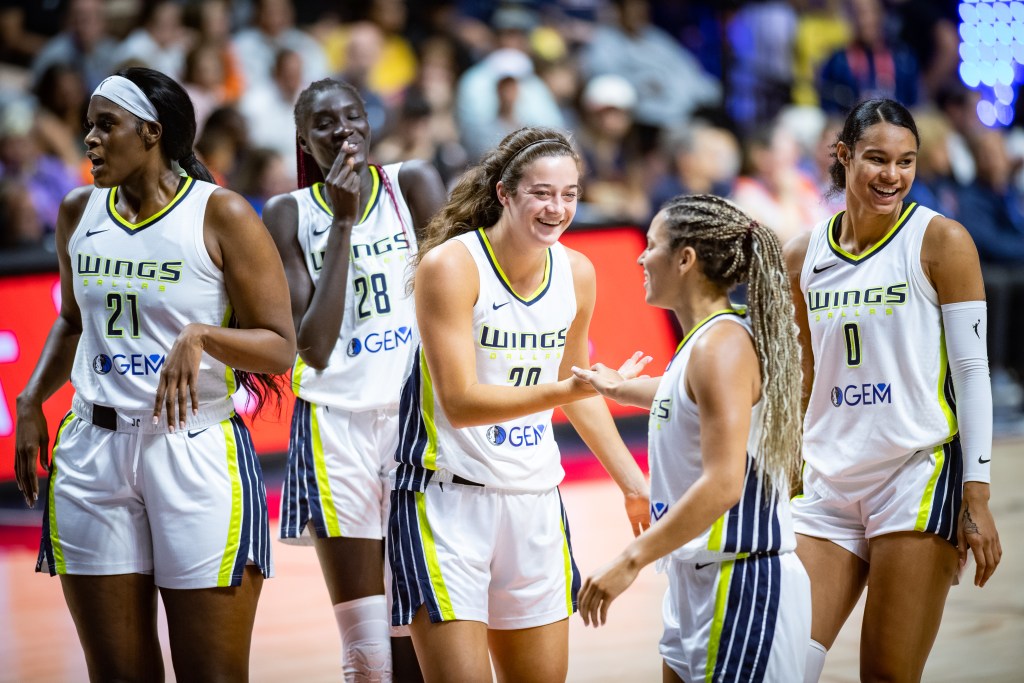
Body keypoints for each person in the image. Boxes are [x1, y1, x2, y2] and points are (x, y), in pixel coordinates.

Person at [13, 66, 296, 681]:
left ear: (151, 132)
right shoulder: (76, 212)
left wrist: (203, 335)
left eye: (105, 126)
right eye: (88, 126)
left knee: (211, 673)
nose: (88, 139)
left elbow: (280, 347)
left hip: (192, 448)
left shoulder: (218, 214)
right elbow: (69, 320)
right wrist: (34, 396)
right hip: (93, 452)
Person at [389, 126, 650, 682]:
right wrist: (570, 390)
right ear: (505, 193)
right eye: (542, 192)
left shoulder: (578, 272)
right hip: (443, 504)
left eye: (570, 194)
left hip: (534, 501)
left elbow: (574, 381)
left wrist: (632, 482)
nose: (558, 208)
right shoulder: (452, 266)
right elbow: (460, 402)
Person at [784, 98, 1002, 682]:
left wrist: (975, 493)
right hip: (828, 479)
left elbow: (973, 373)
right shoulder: (801, 256)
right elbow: (801, 374)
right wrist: (789, 463)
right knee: (782, 665)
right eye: (877, 159)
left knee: (886, 673)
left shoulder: (941, 241)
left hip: (915, 476)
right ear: (843, 156)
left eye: (905, 162)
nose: (892, 175)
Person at [574, 194, 811, 682]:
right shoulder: (704, 344)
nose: (641, 257)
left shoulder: (722, 347)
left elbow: (725, 484)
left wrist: (629, 560)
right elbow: (682, 396)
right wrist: (617, 386)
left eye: (651, 245)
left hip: (743, 579)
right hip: (697, 577)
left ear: (685, 259)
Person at [263, 76, 447, 681]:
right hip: (333, 430)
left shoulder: (413, 184)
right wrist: (341, 224)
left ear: (369, 121)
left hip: (414, 424)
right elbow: (312, 349)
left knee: (426, 627)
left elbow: (458, 305)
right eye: (323, 122)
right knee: (367, 650)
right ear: (302, 139)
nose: (342, 129)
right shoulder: (287, 213)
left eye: (351, 116)